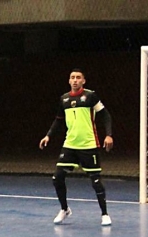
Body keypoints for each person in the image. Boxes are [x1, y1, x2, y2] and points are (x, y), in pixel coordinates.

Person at [39, 69, 114, 226]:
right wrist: (48, 136)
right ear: (69, 81)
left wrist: (108, 135)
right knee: (57, 178)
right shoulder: (64, 99)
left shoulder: (90, 96)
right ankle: (65, 209)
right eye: (72, 77)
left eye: (78, 78)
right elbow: (58, 120)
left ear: (83, 81)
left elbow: (105, 115)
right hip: (70, 145)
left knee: (96, 181)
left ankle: (105, 214)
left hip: (89, 145)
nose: (75, 80)